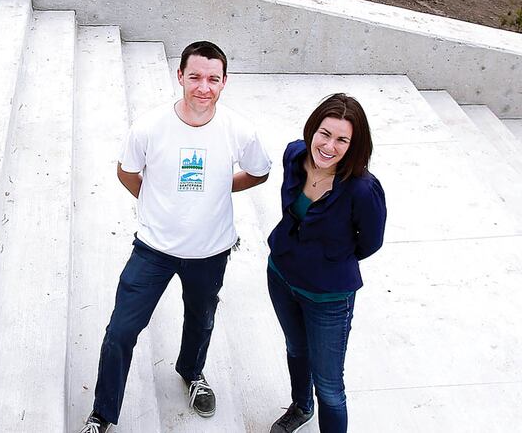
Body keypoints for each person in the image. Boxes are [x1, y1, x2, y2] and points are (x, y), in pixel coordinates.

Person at [79, 41, 272, 433]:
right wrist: (154, 200)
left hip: (211, 251)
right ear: (180, 76)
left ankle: (192, 372)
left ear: (224, 82)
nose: (204, 87)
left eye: (213, 79)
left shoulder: (239, 130)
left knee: (201, 320)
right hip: (153, 250)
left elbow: (259, 171)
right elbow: (127, 172)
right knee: (121, 331)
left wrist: (219, 188)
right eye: (196, 77)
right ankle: (102, 414)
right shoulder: (149, 127)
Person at [266, 93, 386, 433]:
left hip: (328, 298)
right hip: (281, 276)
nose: (329, 146)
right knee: (295, 348)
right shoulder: (294, 155)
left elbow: (370, 242)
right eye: (324, 133)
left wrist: (328, 260)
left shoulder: (363, 190)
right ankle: (301, 407)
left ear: (354, 144)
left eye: (342, 139)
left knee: (330, 388)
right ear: (312, 130)